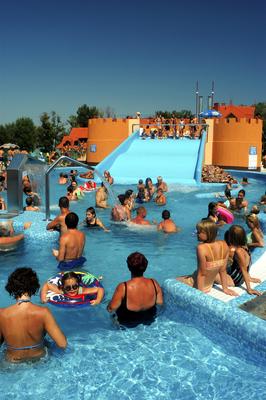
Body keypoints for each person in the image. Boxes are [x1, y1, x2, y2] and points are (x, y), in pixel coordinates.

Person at [0, 267, 67, 363]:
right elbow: (62, 344)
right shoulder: (43, 312)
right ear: (34, 287)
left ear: (11, 287)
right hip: (39, 361)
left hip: (12, 363)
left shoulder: (2, 314)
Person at [176, 220, 238, 296]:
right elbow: (222, 271)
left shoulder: (201, 248)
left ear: (208, 233)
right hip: (209, 285)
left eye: (199, 232)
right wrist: (225, 289)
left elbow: (202, 274)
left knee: (171, 281)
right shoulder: (224, 244)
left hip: (197, 285)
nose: (197, 234)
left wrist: (201, 295)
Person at [107, 252, 163, 327]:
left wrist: (109, 304)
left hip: (128, 323)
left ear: (129, 267)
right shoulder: (154, 283)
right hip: (149, 320)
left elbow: (111, 309)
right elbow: (160, 303)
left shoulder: (123, 287)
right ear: (145, 266)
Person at [215, 225, 261, 296]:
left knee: (209, 273)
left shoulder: (238, 252)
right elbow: (246, 265)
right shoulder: (245, 247)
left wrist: (249, 289)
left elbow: (243, 270)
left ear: (231, 238)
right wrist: (250, 278)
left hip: (234, 280)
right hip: (238, 278)